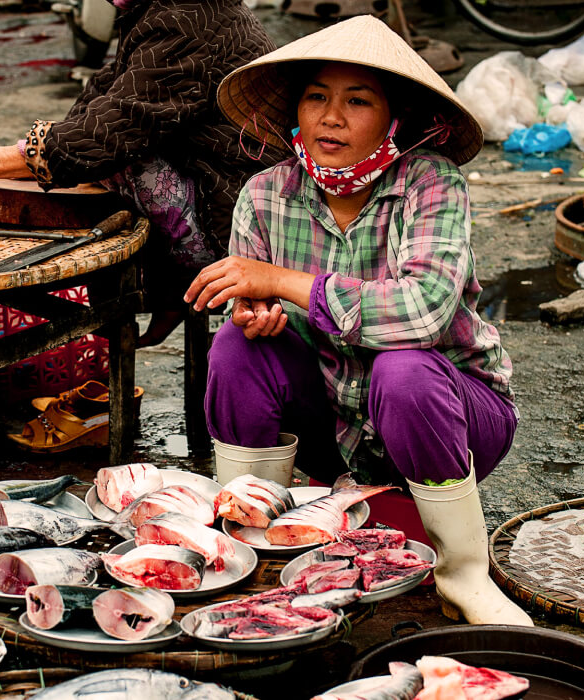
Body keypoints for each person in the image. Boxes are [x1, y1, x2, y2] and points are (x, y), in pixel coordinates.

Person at [184, 15, 533, 626]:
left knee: (402, 370)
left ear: (394, 119)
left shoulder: (431, 184)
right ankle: (246, 546)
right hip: (332, 417)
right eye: (316, 97)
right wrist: (262, 317)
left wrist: (285, 284)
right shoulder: (265, 194)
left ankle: (463, 575)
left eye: (358, 100)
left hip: (451, 409)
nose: (331, 117)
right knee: (234, 353)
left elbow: (424, 310)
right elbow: (254, 313)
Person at [0, 0, 286, 347]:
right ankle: (165, 294)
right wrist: (29, 157)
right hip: (221, 194)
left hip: (237, 227)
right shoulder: (156, 12)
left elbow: (113, 132)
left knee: (110, 159)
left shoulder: (189, 16)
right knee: (76, 159)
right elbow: (97, 104)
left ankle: (172, 287)